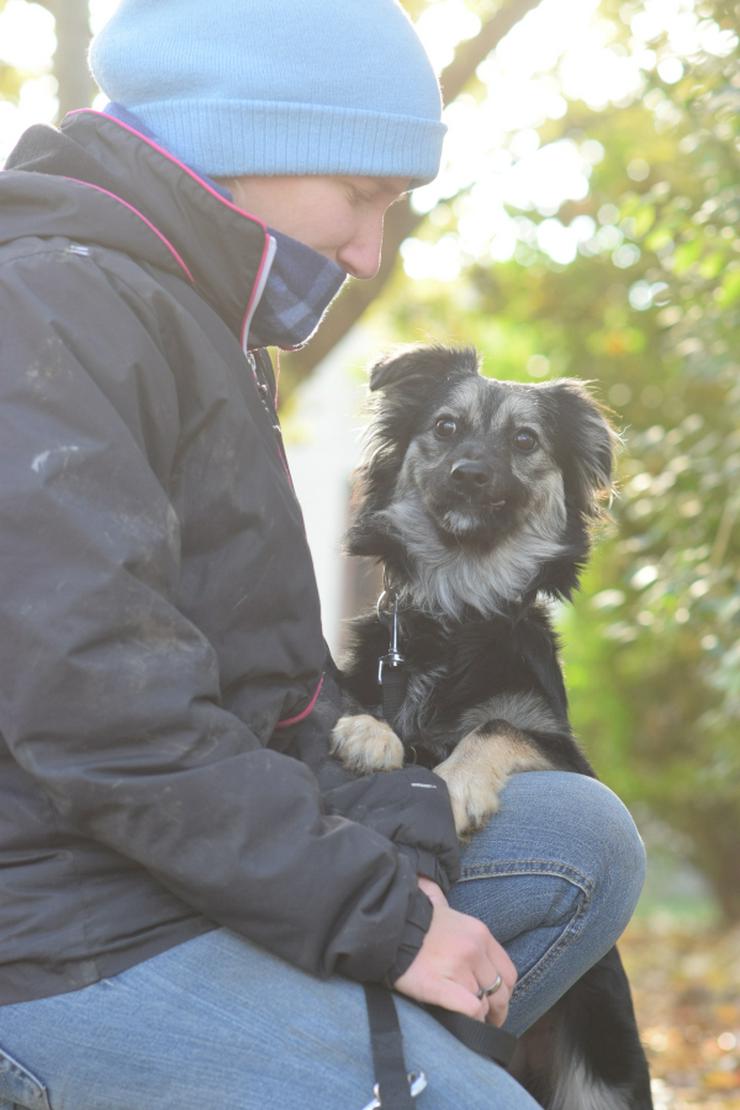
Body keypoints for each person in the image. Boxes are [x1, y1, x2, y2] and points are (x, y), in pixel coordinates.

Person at [0, 2, 646, 1107]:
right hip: (59, 932)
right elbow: (105, 721)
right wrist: (389, 918)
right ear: (245, 138)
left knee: (583, 835)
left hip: (153, 867)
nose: (366, 252)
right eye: (361, 198)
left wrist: (399, 836)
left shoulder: (191, 316)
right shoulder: (48, 309)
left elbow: (256, 694)